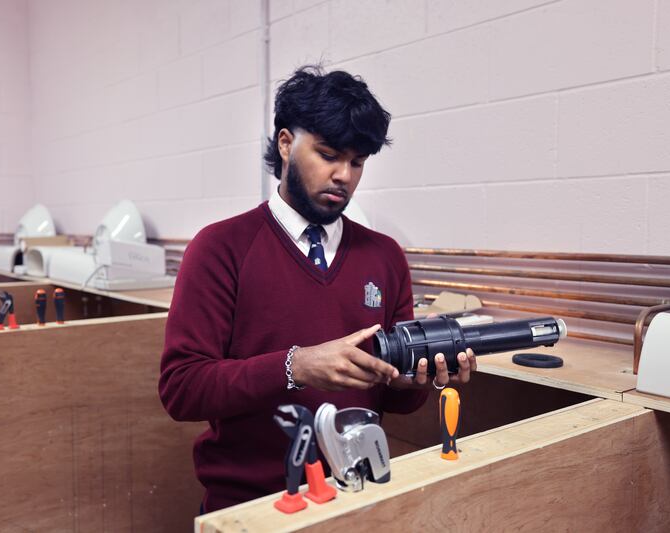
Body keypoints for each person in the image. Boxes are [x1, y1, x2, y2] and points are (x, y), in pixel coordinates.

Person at [158, 65, 476, 513]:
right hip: (254, 506)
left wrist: (414, 380)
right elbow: (182, 388)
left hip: (359, 497)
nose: (344, 175)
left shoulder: (384, 256)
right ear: (286, 144)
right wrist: (296, 366)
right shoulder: (220, 248)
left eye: (358, 162)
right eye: (328, 154)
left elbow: (391, 400)